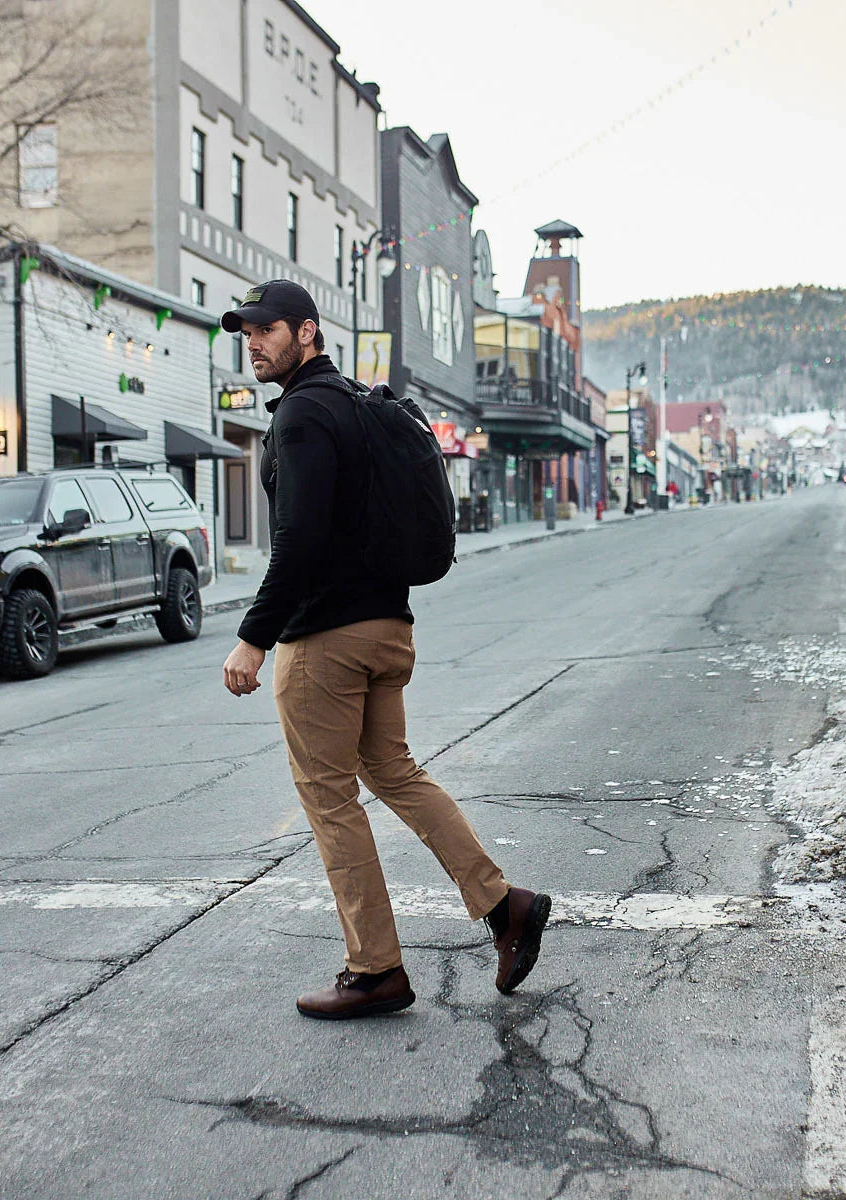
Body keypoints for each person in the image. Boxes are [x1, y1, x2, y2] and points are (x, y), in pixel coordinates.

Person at [220, 280, 552, 1021]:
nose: (253, 343)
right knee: (394, 772)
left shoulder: (304, 414)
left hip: (326, 641)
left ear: (306, 333)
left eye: (265, 330)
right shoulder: (358, 407)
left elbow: (299, 542)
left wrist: (253, 638)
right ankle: (506, 907)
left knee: (330, 799)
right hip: (388, 629)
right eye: (245, 333)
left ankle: (375, 970)